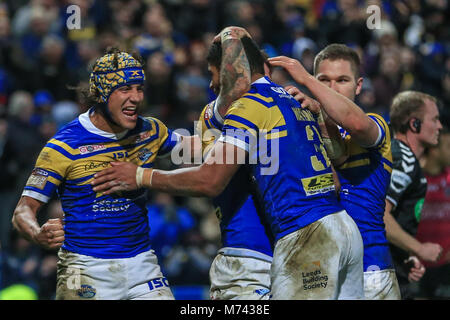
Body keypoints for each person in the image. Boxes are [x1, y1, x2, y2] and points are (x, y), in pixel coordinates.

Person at [92, 27, 365, 300]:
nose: (212, 86)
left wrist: (141, 176)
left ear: (232, 70)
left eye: (214, 75)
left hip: (294, 238)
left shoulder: (244, 106)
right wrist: (163, 140)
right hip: (343, 230)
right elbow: (336, 172)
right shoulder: (292, 100)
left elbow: (210, 179)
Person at [11, 48, 187, 300]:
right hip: (84, 268)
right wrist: (37, 234)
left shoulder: (151, 131)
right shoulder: (64, 145)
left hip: (143, 265)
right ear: (102, 93)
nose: (136, 98)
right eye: (125, 89)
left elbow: (197, 149)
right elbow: (22, 211)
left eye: (139, 88)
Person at [268, 44, 400, 299]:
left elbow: (355, 122)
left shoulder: (375, 123)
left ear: (358, 86)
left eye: (342, 80)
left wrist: (305, 78)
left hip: (370, 271)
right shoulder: (308, 132)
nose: (331, 88)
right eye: (323, 80)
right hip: (320, 266)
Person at [199, 29, 273, 300]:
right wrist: (232, 33)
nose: (210, 84)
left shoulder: (281, 107)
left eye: (212, 74)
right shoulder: (213, 115)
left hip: (291, 251)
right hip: (245, 254)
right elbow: (238, 88)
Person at [385, 90, 443, 299]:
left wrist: (404, 255)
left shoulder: (401, 156)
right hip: (380, 270)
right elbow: (380, 214)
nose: (440, 126)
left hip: (391, 265)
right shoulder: (405, 161)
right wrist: (419, 249)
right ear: (414, 124)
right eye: (434, 119)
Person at [416, 127, 450, 298]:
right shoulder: (415, 179)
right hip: (416, 265)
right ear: (434, 150)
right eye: (449, 147)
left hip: (446, 265)